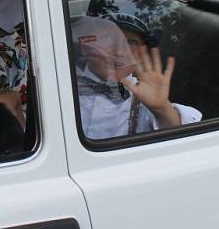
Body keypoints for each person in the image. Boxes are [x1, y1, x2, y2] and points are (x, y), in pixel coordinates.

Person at [71, 15, 201, 139]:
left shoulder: (142, 100)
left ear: (141, 55)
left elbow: (182, 138)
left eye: (130, 42)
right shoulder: (63, 83)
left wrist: (162, 109)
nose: (119, 51)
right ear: (86, 46)